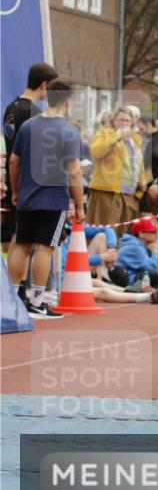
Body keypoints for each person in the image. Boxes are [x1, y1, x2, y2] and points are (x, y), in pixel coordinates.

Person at [7, 79, 83, 319]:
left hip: (28, 195)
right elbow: (74, 171)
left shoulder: (28, 126)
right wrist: (80, 205)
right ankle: (37, 301)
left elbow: (14, 161)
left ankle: (11, 297)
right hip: (53, 198)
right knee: (45, 248)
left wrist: (17, 190)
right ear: (68, 101)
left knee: (21, 244)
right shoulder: (69, 132)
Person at [2, 61, 58, 251]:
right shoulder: (34, 113)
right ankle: (18, 281)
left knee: (9, 235)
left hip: (12, 179)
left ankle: (10, 279)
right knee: (26, 242)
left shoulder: (11, 107)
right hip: (28, 183)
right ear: (44, 85)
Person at [87, 106, 146, 229]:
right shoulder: (105, 133)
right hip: (108, 192)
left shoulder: (134, 139)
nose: (124, 123)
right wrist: (116, 137)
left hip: (129, 194)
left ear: (132, 123)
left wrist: (142, 179)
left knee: (125, 233)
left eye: (127, 120)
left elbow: (138, 162)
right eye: (121, 120)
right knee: (107, 232)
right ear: (114, 121)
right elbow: (96, 152)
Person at [114, 216, 158, 288]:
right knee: (154, 274)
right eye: (153, 232)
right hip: (126, 280)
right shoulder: (133, 246)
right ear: (141, 234)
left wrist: (155, 251)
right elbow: (152, 268)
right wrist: (155, 252)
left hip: (138, 275)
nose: (157, 234)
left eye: (157, 231)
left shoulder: (147, 244)